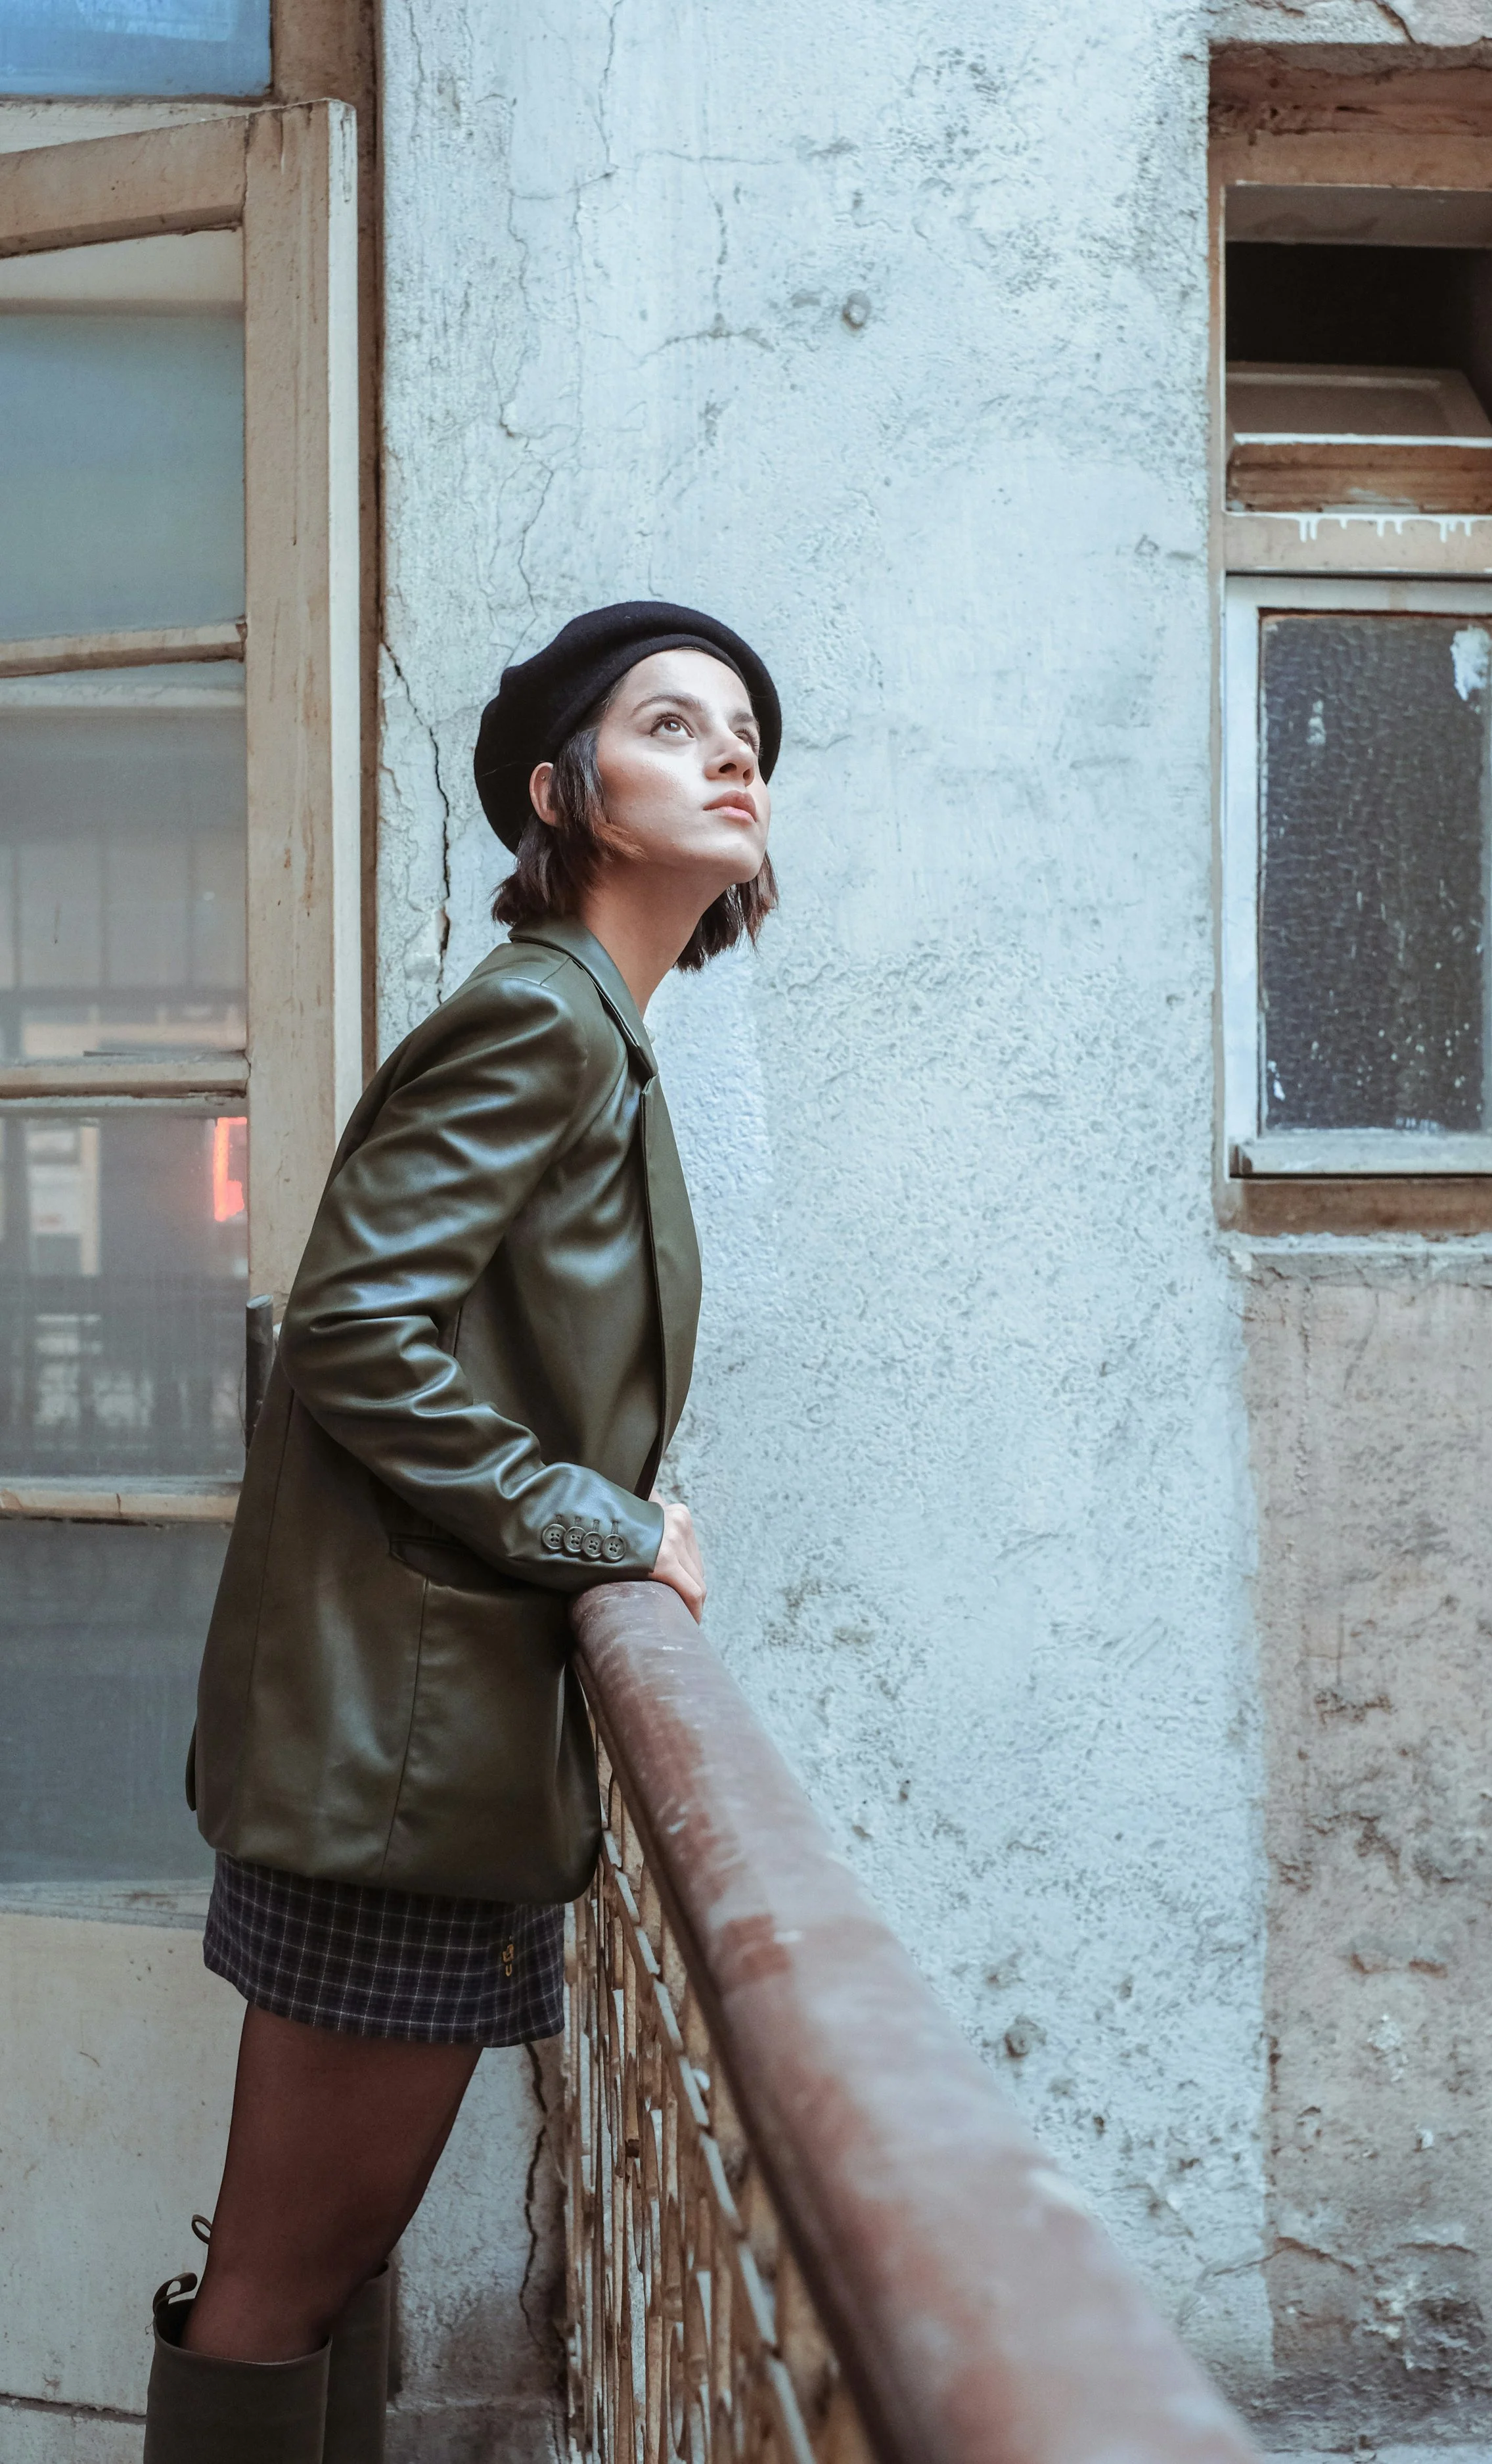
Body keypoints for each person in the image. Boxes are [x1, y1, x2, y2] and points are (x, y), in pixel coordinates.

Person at [142, 602, 780, 2463]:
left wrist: (604, 1506)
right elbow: (349, 1329)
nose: (729, 754)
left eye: (747, 733)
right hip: (394, 1771)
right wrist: (596, 1521)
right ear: (561, 791)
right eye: (672, 725)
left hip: (424, 1754)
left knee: (309, 2280)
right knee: (280, 2280)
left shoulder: (600, 1031)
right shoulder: (539, 1018)